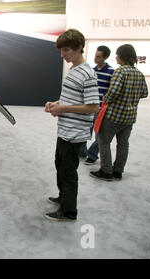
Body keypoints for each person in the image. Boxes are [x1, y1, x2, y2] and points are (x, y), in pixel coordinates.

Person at [44, 29, 99, 222]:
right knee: (60, 165)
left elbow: (93, 107)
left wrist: (64, 109)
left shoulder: (87, 74)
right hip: (65, 131)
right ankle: (63, 198)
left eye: (66, 50)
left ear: (78, 48)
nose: (62, 54)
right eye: (61, 50)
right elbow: (71, 98)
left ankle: (69, 212)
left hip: (75, 134)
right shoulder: (74, 70)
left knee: (68, 172)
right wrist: (56, 104)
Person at [90, 44, 148, 181]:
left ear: (122, 56)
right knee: (123, 144)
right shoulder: (139, 73)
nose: (115, 57)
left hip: (114, 116)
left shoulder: (120, 71)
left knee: (104, 142)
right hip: (130, 117)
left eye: (117, 54)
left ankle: (106, 171)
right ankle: (118, 171)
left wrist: (106, 98)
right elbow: (145, 93)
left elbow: (112, 93)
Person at [80, 46, 115, 165]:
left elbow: (112, 91)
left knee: (99, 135)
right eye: (95, 56)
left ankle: (92, 154)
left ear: (105, 57)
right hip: (89, 106)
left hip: (102, 109)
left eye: (98, 56)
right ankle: (82, 152)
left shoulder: (111, 72)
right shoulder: (92, 71)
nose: (95, 58)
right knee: (85, 131)